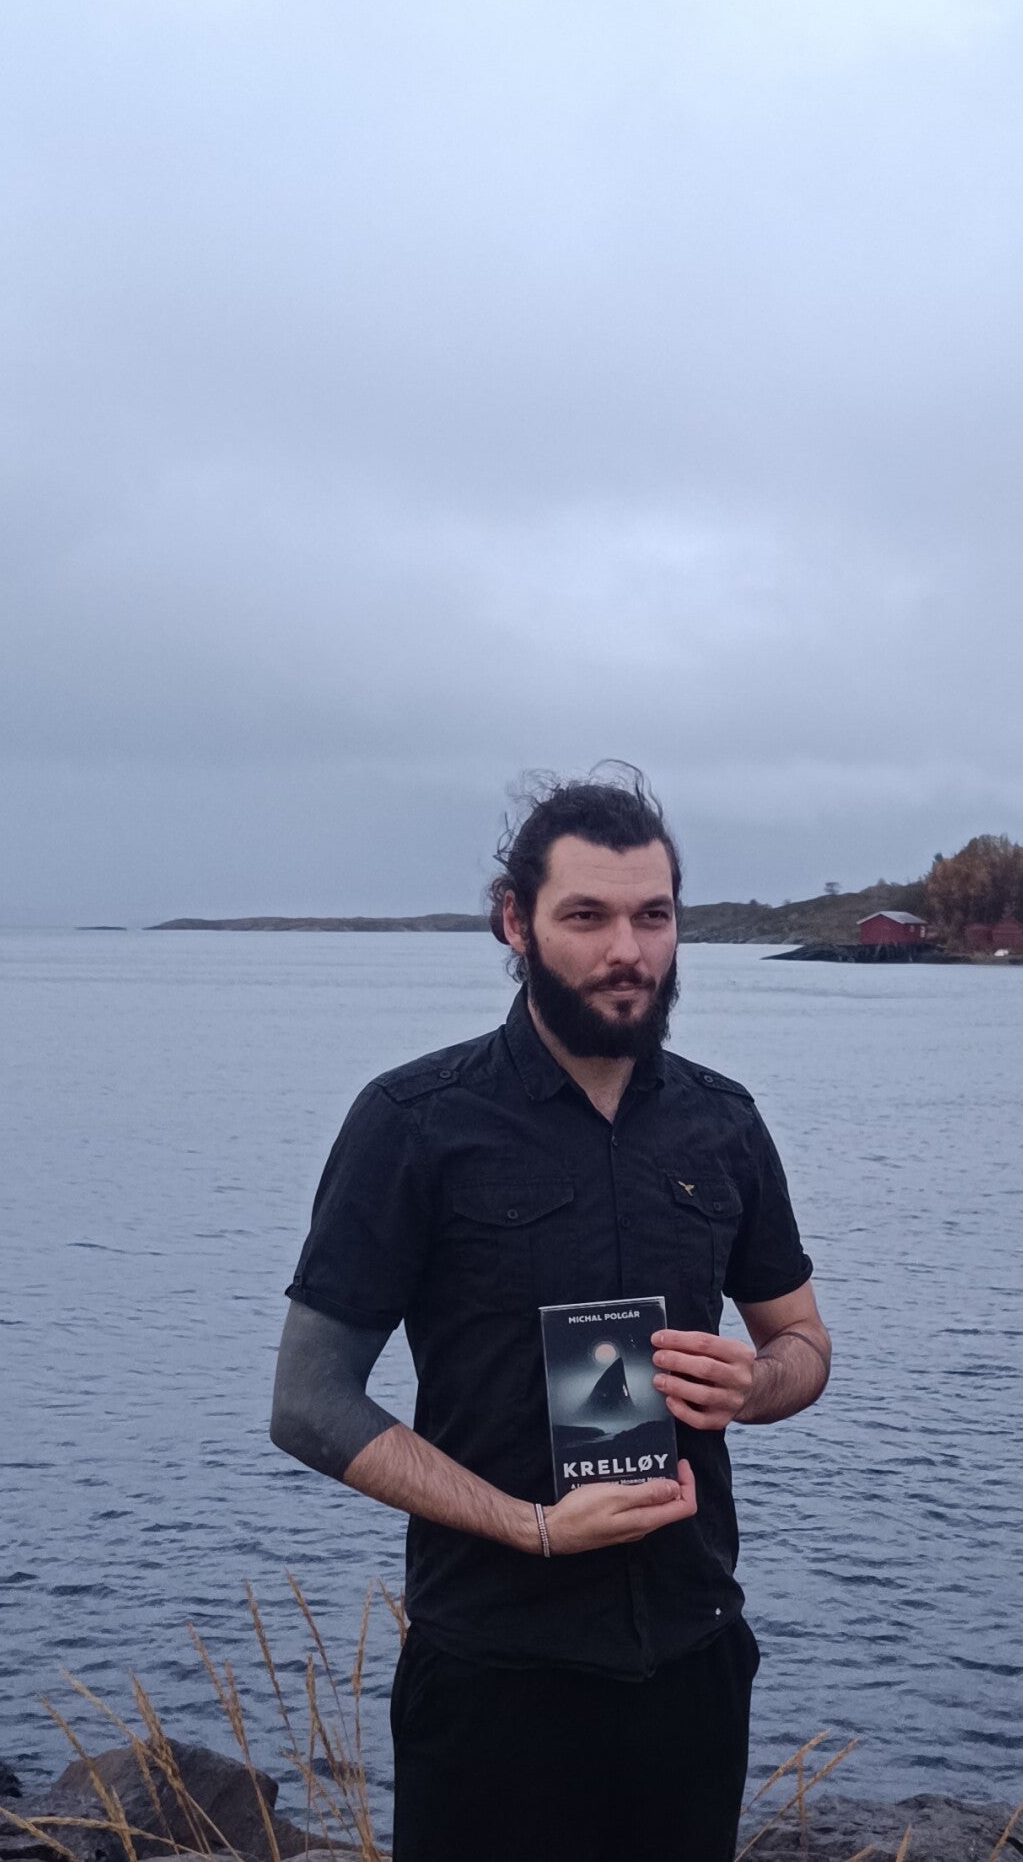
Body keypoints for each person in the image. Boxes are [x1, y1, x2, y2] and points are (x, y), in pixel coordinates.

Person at [269, 770, 830, 1862]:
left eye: (653, 915)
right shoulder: (414, 1122)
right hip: (494, 1675)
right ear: (514, 922)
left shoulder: (724, 1123)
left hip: (693, 1657)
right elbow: (308, 1402)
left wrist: (757, 1384)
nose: (628, 949)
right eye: (587, 916)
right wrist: (532, 1526)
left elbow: (803, 1342)